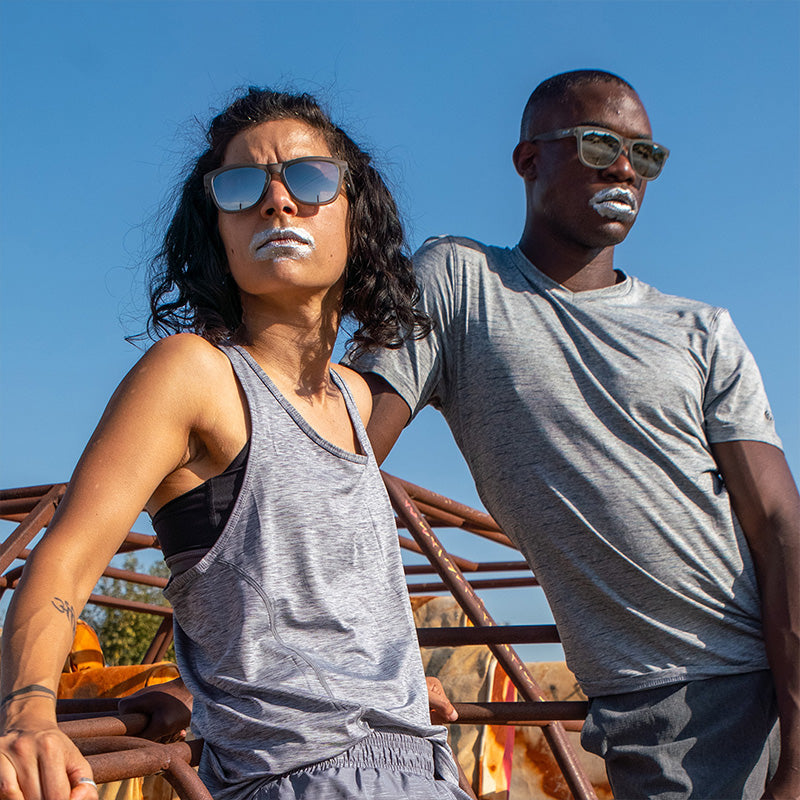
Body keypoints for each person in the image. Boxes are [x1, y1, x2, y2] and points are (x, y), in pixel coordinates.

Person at [0, 88, 473, 800]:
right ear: (216, 229)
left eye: (310, 179)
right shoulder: (195, 375)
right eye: (241, 187)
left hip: (425, 769)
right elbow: (66, 559)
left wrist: (392, 688)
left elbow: (304, 603)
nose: (277, 201)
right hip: (300, 779)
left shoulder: (355, 397)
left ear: (356, 213)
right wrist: (28, 712)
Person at [343, 70, 800, 800]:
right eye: (598, 144)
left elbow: (779, 523)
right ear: (528, 159)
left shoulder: (702, 329)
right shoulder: (460, 282)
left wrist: (797, 763)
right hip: (665, 707)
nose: (624, 168)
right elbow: (338, 454)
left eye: (645, 154)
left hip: (761, 679)